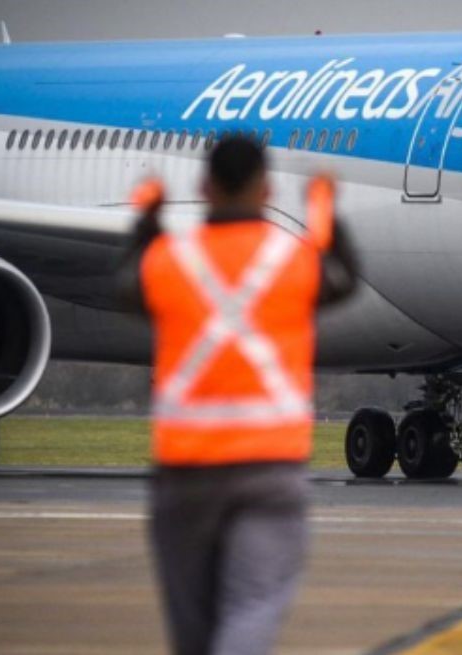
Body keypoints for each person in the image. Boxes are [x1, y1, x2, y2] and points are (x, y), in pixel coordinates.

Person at [121, 135, 358, 655]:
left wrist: (147, 219)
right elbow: (344, 277)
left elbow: (130, 286)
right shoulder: (291, 259)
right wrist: (325, 210)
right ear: (267, 188)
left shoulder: (170, 257)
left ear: (204, 187)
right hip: (269, 471)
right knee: (251, 609)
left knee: (192, 631)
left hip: (185, 476)